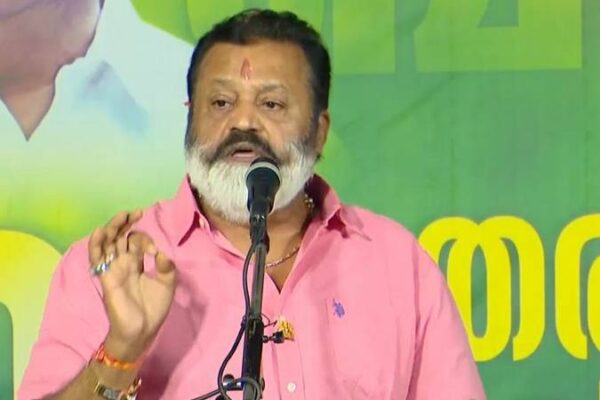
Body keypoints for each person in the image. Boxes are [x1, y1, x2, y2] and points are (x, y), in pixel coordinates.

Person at [18, 9, 486, 400]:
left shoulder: (395, 264)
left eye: (272, 104)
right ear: (189, 120)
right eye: (221, 103)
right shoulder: (117, 267)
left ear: (319, 132)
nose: (243, 122)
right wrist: (121, 351)